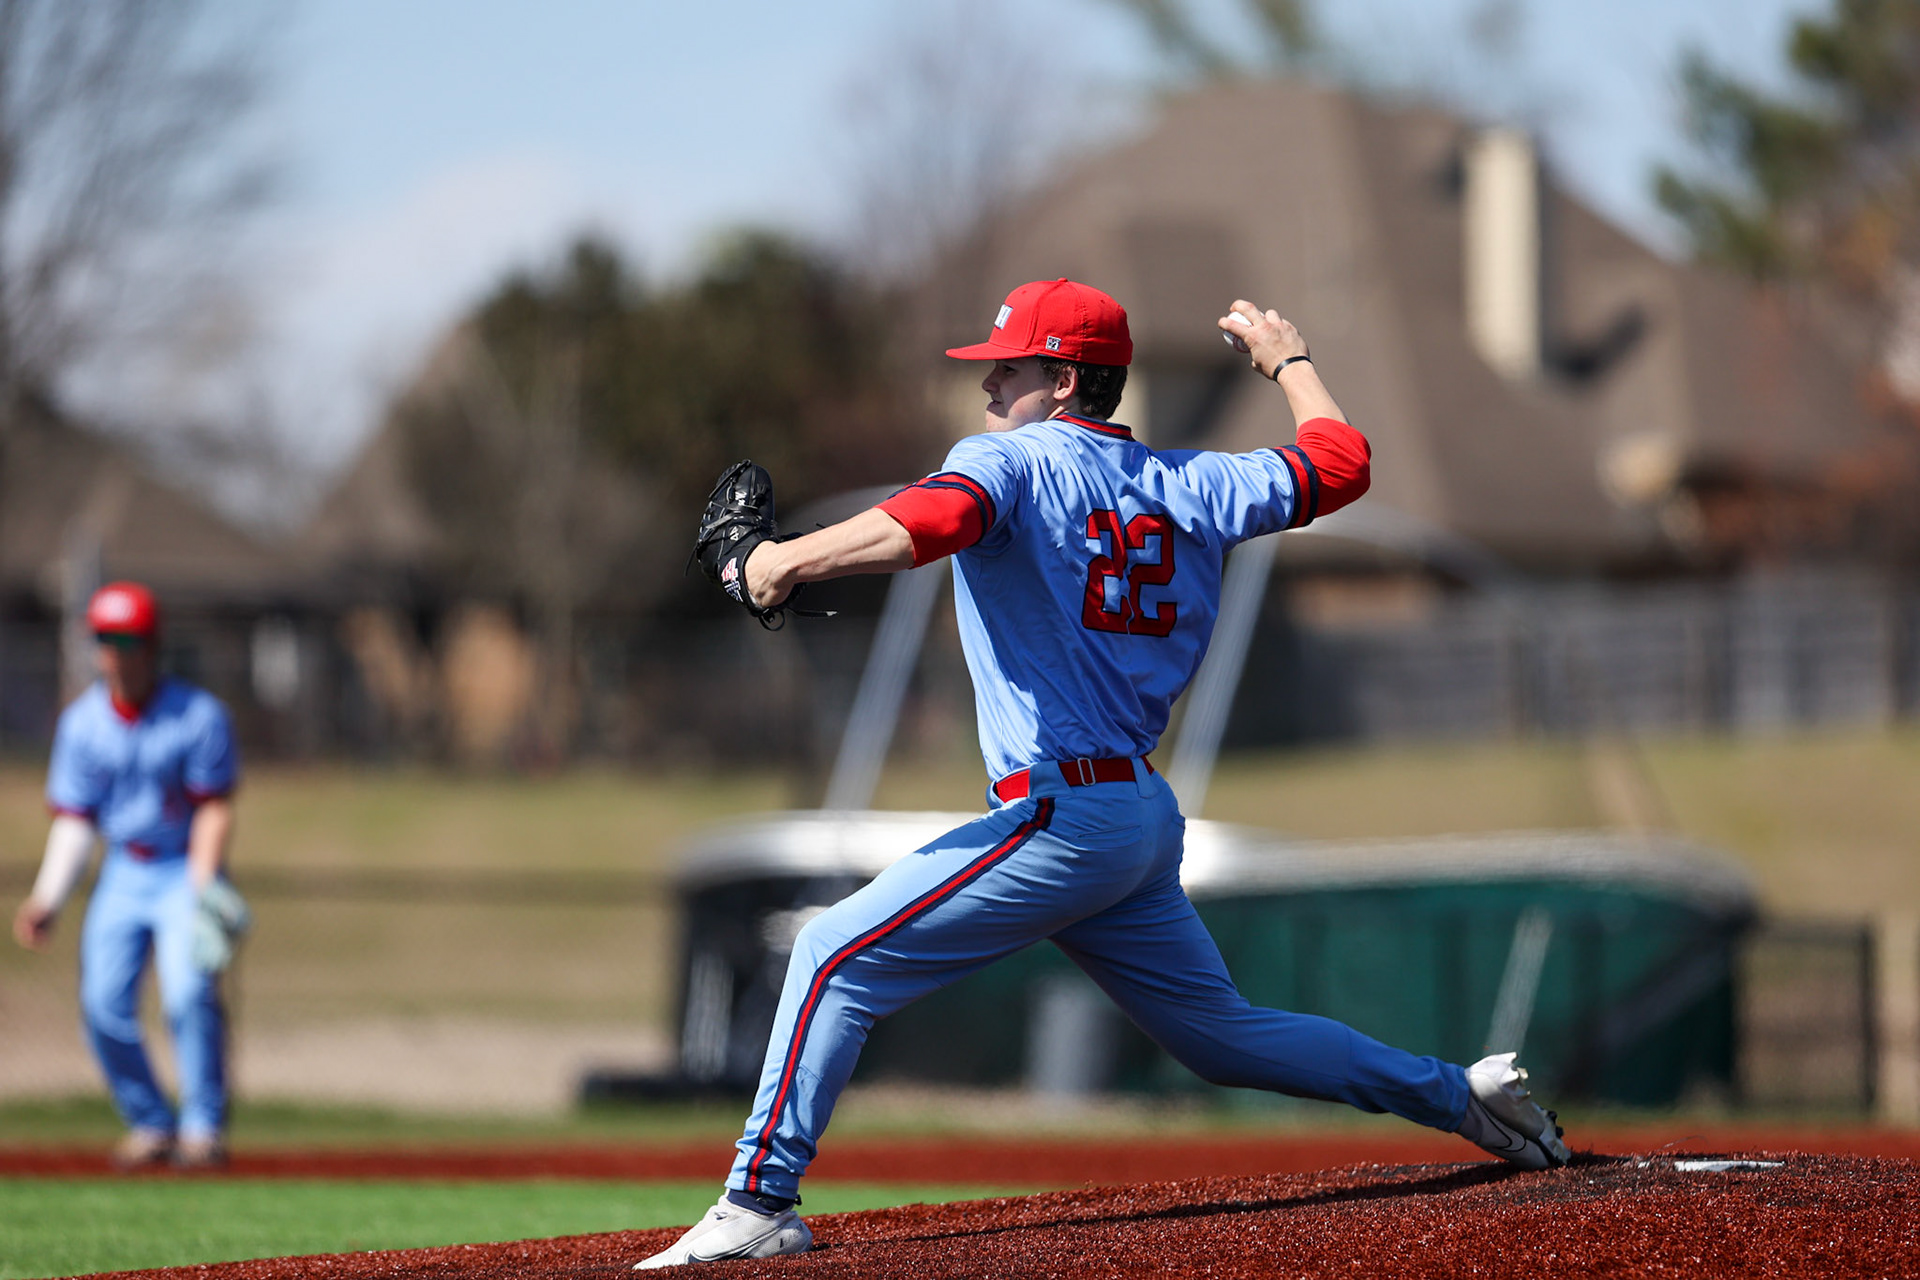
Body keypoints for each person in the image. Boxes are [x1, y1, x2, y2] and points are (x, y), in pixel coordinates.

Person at [646, 280, 1569, 1268]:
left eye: (1010, 365)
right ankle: (1461, 1094)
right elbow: (1340, 462)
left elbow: (931, 523)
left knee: (831, 952)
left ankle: (759, 1199)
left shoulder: (1008, 460)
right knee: (1224, 1038)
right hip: (1132, 813)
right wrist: (1290, 361)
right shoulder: (1197, 482)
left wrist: (776, 562)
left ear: (1069, 378)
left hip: (1063, 811)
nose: (990, 381)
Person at [12, 581, 248, 1170]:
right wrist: (48, 899)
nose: (115, 651)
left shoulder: (197, 716)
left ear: (151, 644)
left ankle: (202, 1127)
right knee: (101, 1004)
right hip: (123, 871)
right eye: (104, 638)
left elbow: (213, 806)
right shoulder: (83, 725)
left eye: (127, 639)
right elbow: (76, 821)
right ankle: (150, 1123)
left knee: (190, 995)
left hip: (179, 869)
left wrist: (204, 888)